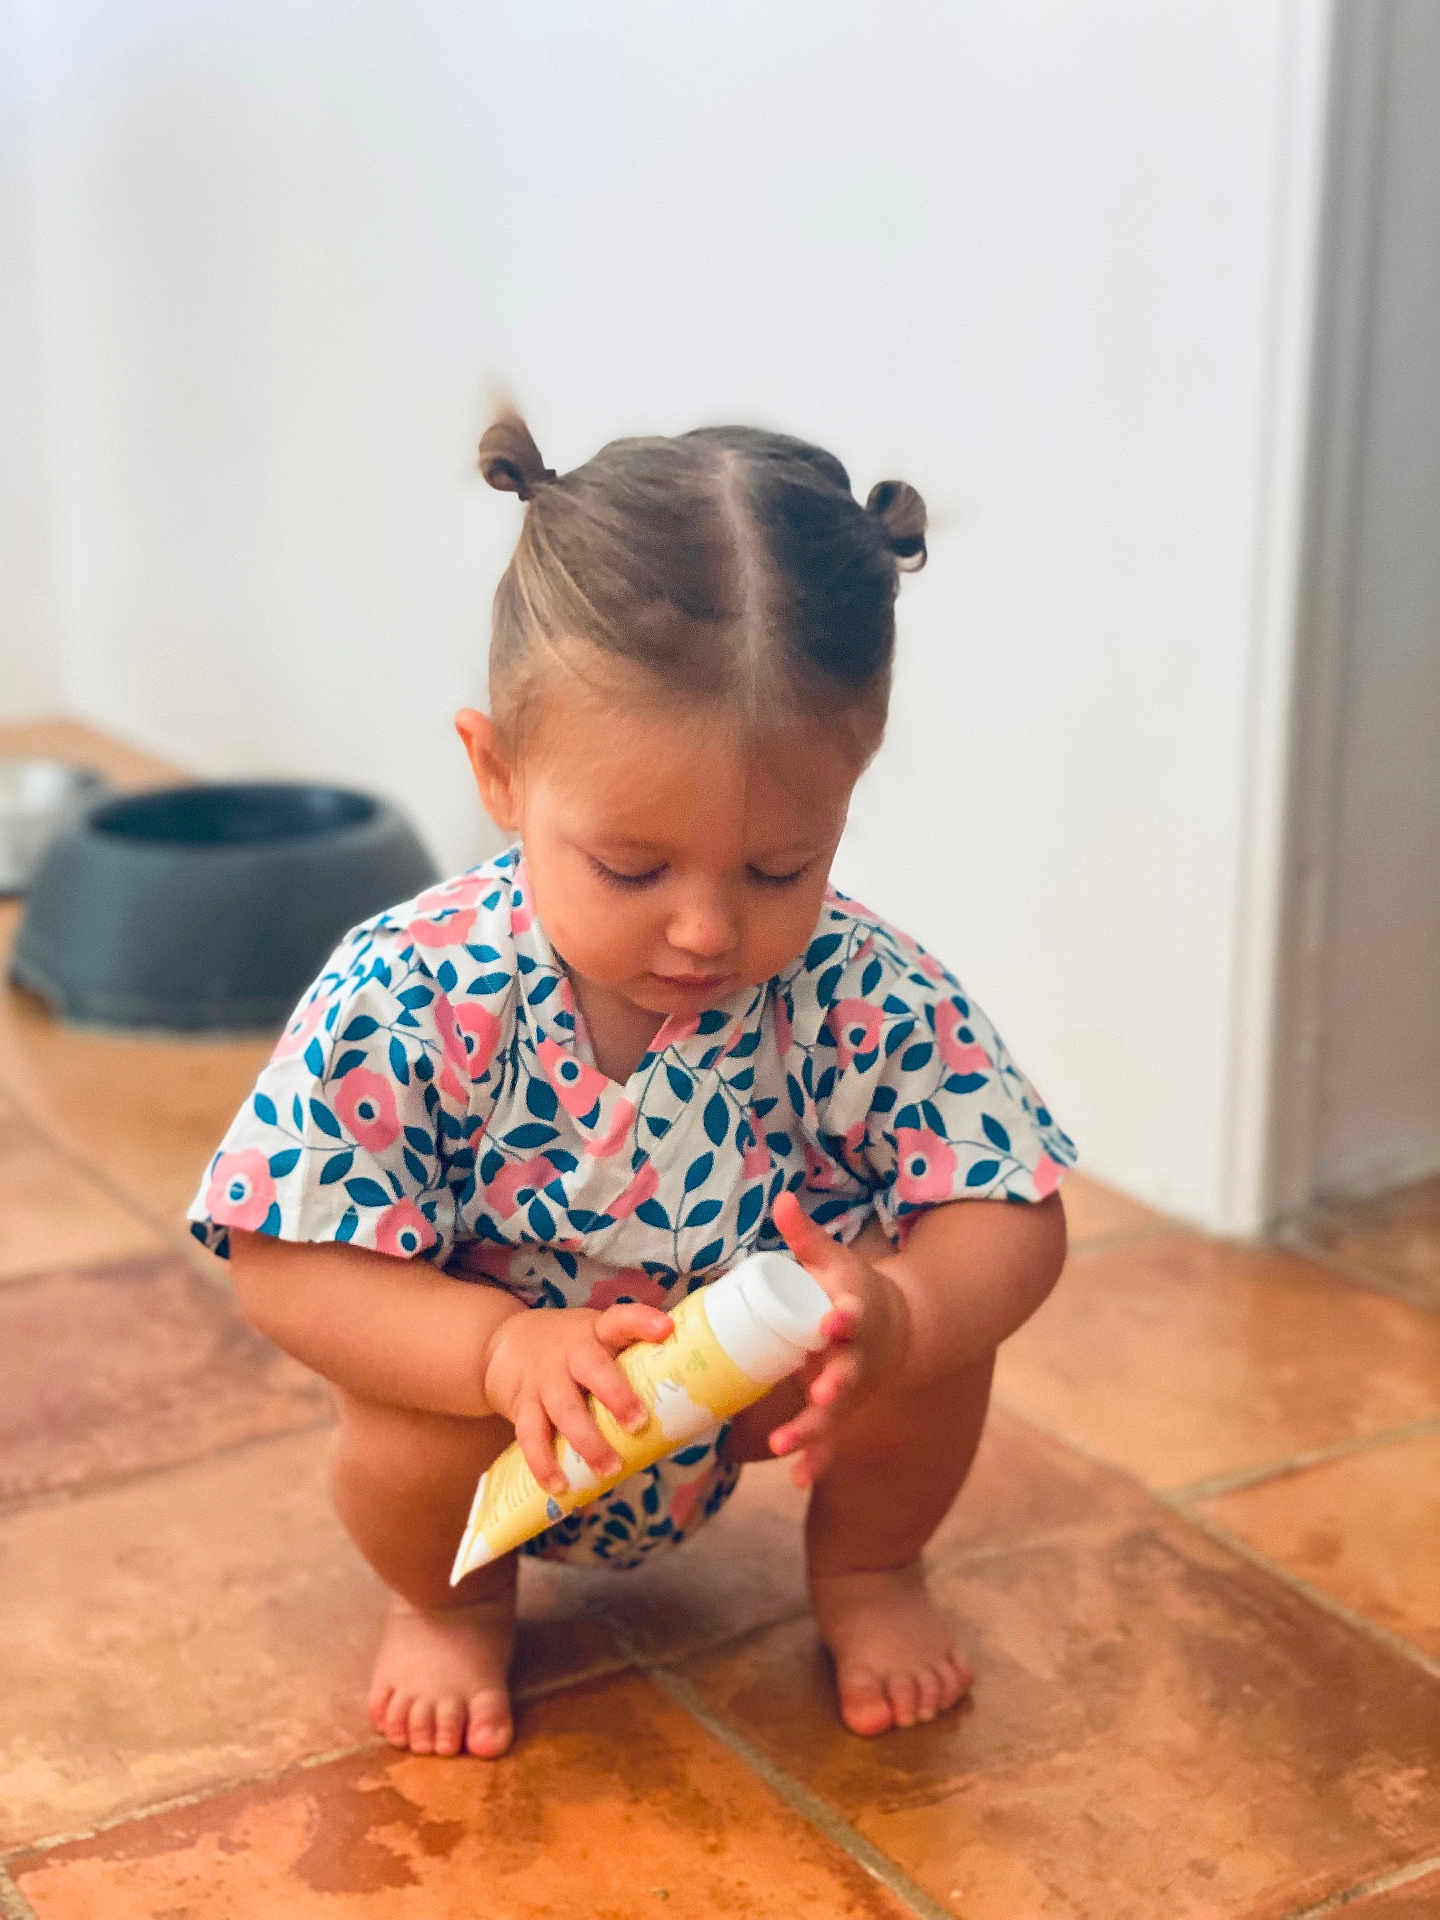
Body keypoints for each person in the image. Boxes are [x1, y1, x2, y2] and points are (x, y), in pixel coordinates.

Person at [189, 412, 1074, 1761]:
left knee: (934, 1364)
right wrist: (493, 1351)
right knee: (406, 1437)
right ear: (499, 774)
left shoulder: (859, 987)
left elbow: (1010, 1200)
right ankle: (449, 1607)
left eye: (777, 869)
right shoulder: (413, 989)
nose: (708, 931)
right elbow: (282, 1258)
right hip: (492, 1410)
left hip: (754, 1394)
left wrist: (907, 1313)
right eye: (631, 867)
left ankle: (872, 1569)